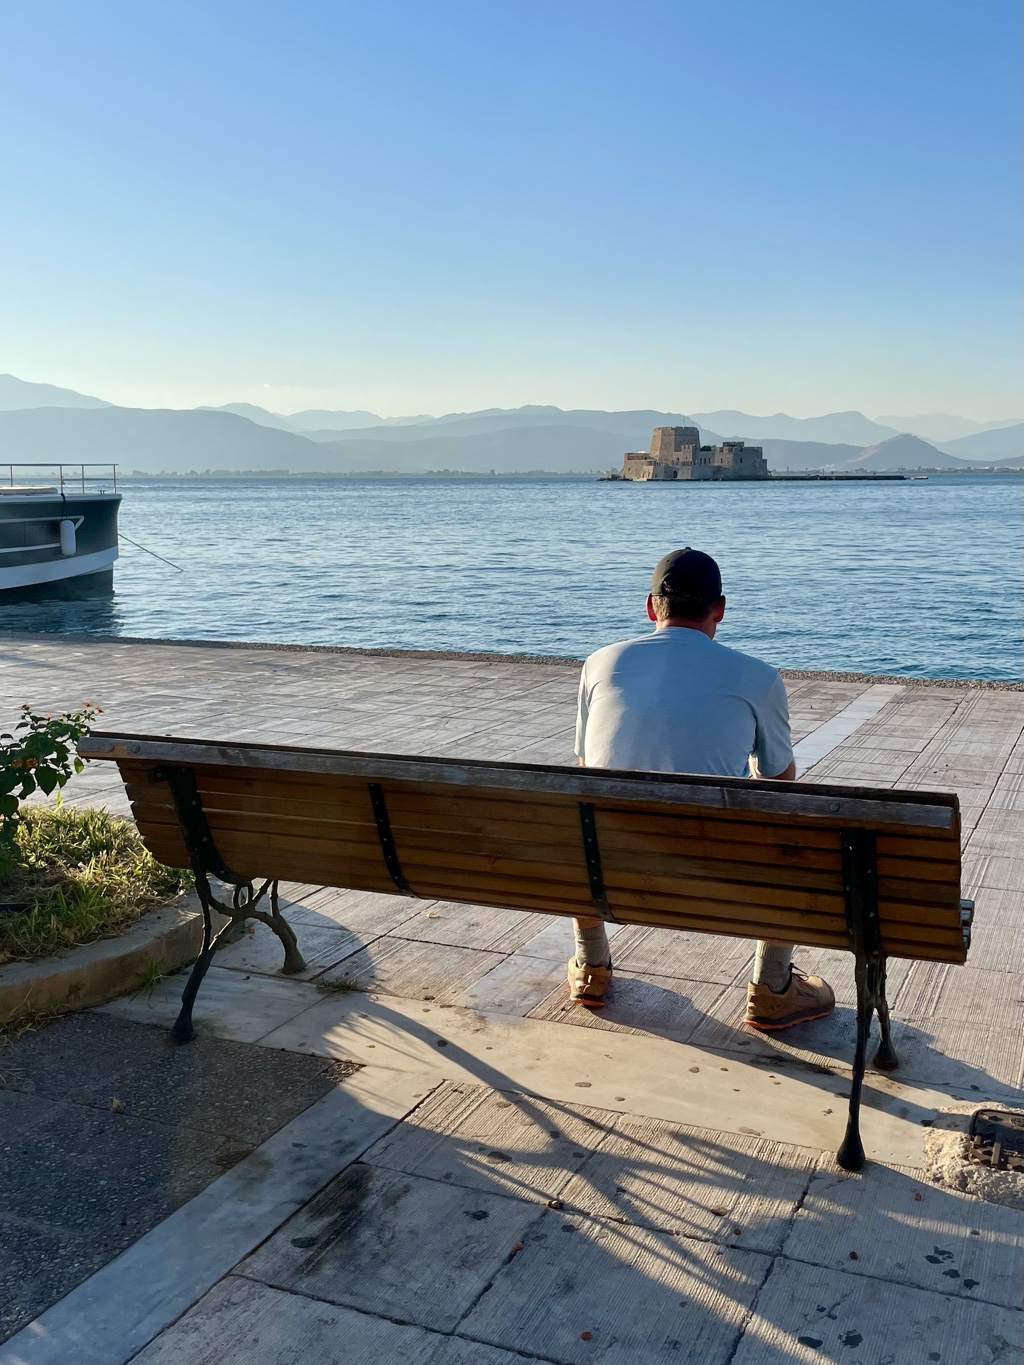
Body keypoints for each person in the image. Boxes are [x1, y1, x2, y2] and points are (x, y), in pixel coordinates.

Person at [570, 547, 835, 1030]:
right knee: (795, 835)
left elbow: (587, 766)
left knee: (579, 819)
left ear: (650, 607)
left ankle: (591, 968)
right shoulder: (758, 676)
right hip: (713, 868)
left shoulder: (600, 663)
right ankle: (773, 989)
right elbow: (779, 783)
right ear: (720, 609)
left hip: (606, 863)